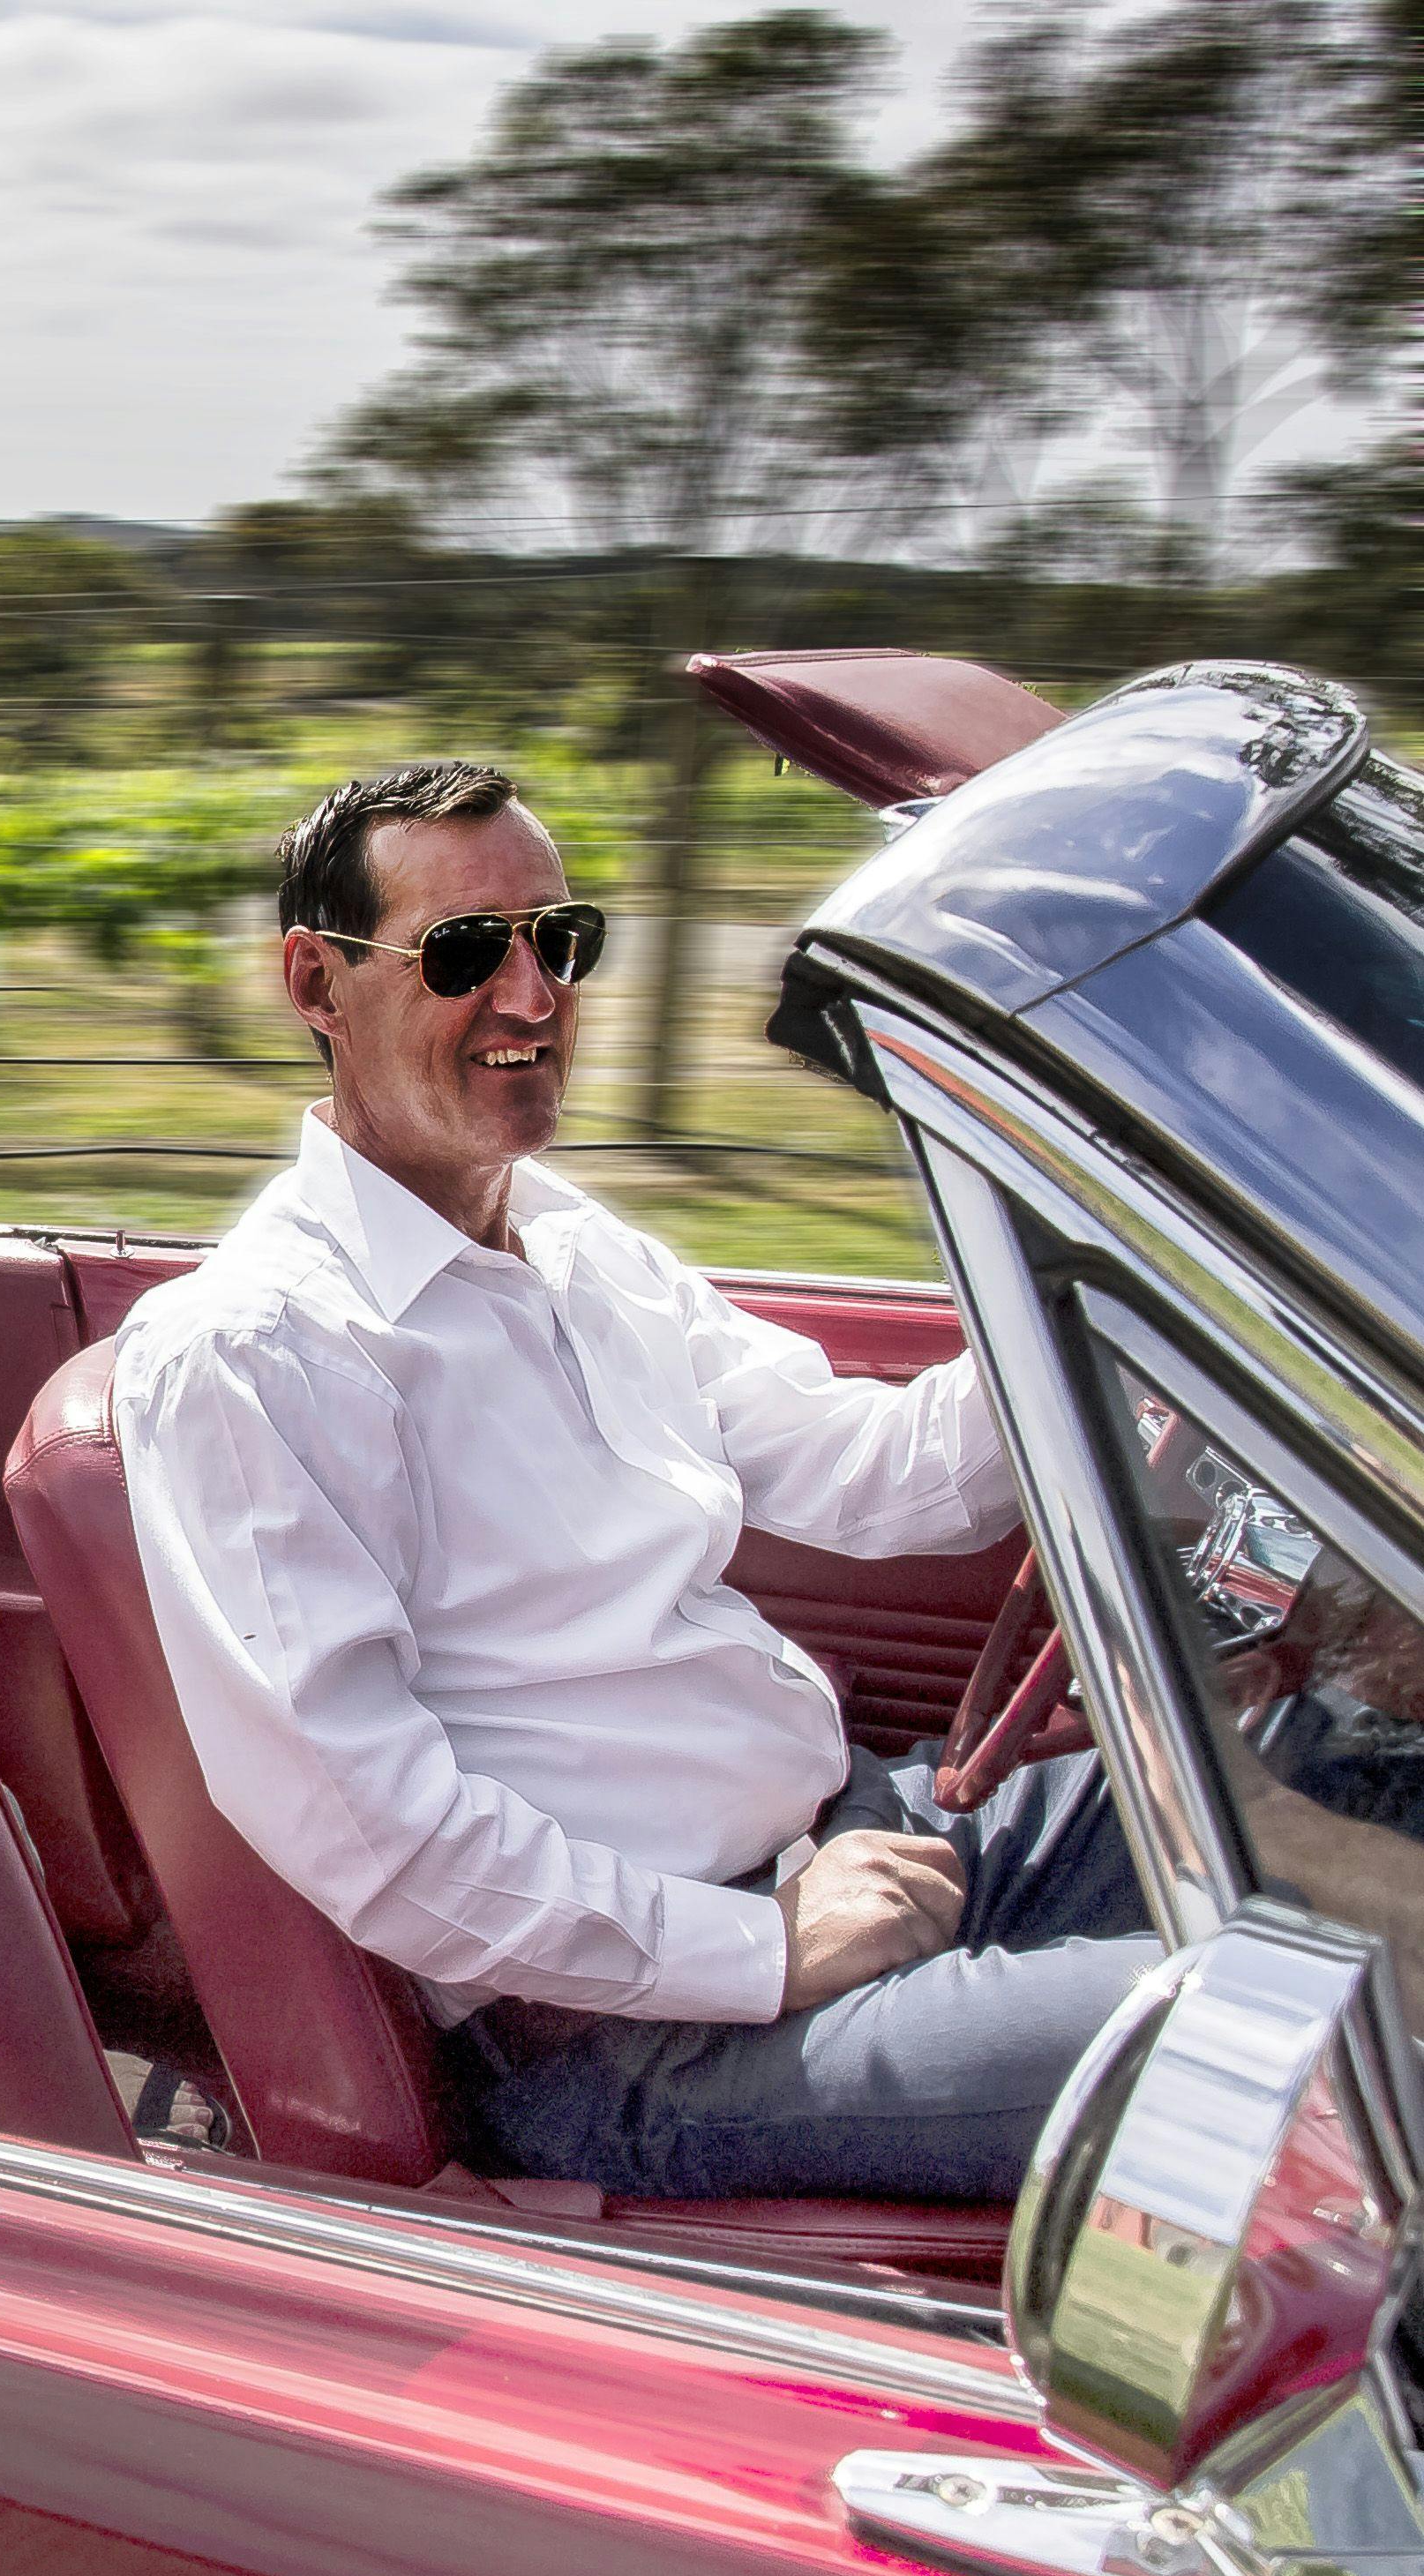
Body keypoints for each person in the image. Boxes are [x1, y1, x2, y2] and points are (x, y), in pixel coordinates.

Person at [116, 760, 1157, 2204]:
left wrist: (1118, 1303)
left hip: (853, 1838)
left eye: (566, 940)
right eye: (468, 952)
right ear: (315, 981)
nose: (535, 997)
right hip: (631, 2030)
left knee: (1315, 1764)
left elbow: (882, 1478)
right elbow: (375, 1828)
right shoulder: (252, 1349)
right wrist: (763, 1951)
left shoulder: (570, 1238)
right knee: (1274, 2040)